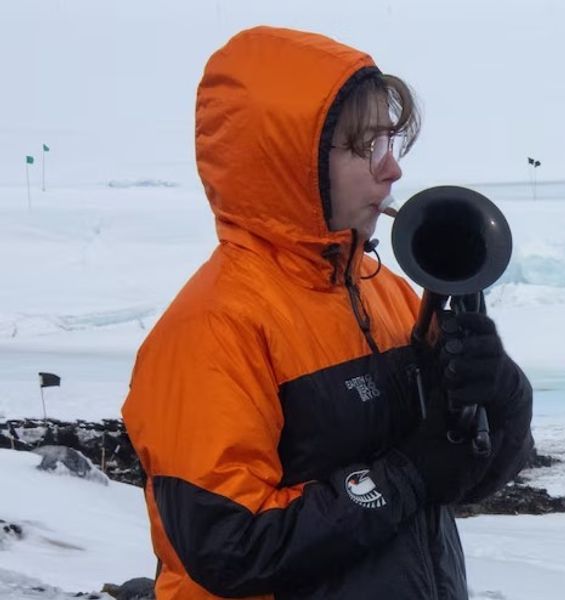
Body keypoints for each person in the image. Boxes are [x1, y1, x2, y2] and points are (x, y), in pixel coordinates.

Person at [122, 26, 533, 599]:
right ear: (287, 162)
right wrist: (404, 477)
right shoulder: (210, 331)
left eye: (389, 144)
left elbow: (471, 475)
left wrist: (503, 392)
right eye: (365, 147)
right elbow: (230, 548)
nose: (391, 172)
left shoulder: (386, 293)